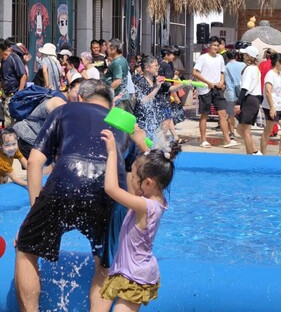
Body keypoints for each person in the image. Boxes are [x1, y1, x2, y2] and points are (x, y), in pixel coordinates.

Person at [14, 79, 129, 312]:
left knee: (27, 249)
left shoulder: (64, 110)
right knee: (105, 263)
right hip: (109, 191)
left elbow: (35, 161)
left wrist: (33, 212)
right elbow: (133, 178)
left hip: (65, 181)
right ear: (111, 102)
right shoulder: (124, 125)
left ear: (79, 97)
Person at [99, 128, 179, 311]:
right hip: (135, 270)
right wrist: (142, 143)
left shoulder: (145, 206)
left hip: (135, 275)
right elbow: (153, 165)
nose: (132, 180)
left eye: (134, 177)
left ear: (148, 183)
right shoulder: (155, 199)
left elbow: (111, 189)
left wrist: (112, 152)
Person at [12, 78, 83, 159]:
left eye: (82, 95)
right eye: (77, 93)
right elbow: (72, 124)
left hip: (31, 138)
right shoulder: (59, 102)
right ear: (70, 88)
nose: (78, 97)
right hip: (28, 138)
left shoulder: (58, 95)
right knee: (43, 169)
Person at [192, 36, 238, 149]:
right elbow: (195, 72)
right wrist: (207, 82)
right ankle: (203, 139)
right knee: (204, 115)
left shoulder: (220, 58)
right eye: (214, 45)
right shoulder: (203, 58)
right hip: (205, 89)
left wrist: (222, 81)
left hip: (217, 89)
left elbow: (222, 72)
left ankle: (227, 140)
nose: (216, 47)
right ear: (209, 46)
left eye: (218, 45)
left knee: (223, 113)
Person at [133, 55, 184, 143]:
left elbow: (171, 88)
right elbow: (143, 101)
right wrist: (156, 88)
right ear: (147, 68)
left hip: (153, 117)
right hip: (142, 120)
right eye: (156, 66)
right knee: (145, 144)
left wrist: (184, 84)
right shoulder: (140, 82)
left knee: (157, 140)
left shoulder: (156, 79)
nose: (158, 68)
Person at [260, 53, 281, 156]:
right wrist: (272, 108)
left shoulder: (279, 74)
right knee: (268, 131)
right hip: (271, 107)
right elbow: (268, 91)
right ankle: (262, 154)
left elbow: (278, 90)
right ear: (278, 63)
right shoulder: (270, 74)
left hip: (280, 107)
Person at [234, 45, 262, 155]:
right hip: (255, 99)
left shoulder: (249, 69)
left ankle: (250, 155)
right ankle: (254, 150)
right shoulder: (256, 69)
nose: (244, 56)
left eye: (245, 54)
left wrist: (238, 103)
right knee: (240, 129)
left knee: (246, 131)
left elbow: (245, 87)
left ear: (249, 57)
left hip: (249, 99)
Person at [0, 38, 27, 127]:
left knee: (11, 122)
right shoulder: (2, 61)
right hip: (6, 95)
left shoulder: (13, 58)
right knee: (8, 119)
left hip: (14, 95)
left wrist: (19, 92)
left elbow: (23, 75)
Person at [104, 38, 131, 112]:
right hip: (122, 96)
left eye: (108, 47)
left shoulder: (117, 62)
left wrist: (106, 93)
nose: (106, 50)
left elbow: (118, 81)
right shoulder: (122, 59)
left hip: (117, 98)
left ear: (114, 49)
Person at [224, 50, 245, 139]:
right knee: (243, 112)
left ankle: (232, 133)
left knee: (231, 114)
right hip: (242, 92)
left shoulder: (225, 67)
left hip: (230, 93)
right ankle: (244, 131)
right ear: (236, 56)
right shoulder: (243, 65)